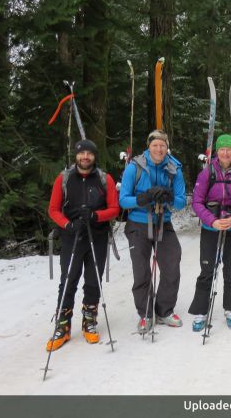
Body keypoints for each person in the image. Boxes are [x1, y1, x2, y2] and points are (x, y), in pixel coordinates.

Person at [47, 139, 120, 351]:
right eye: (81, 154)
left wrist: (96, 215)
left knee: (93, 279)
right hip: (72, 236)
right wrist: (68, 225)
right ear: (76, 156)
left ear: (94, 156)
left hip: (97, 235)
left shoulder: (104, 179)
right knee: (68, 279)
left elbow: (114, 209)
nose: (85, 157)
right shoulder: (64, 178)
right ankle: (63, 325)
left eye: (89, 154)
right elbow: (53, 209)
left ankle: (89, 319)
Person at [119, 130, 186, 333]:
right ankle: (145, 314)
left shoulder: (174, 169)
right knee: (141, 271)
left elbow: (182, 202)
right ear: (149, 146)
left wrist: (168, 197)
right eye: (155, 145)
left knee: (172, 263)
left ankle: (164, 310)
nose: (159, 149)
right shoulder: (135, 167)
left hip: (162, 221)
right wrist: (143, 198)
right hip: (138, 223)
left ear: (167, 147)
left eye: (162, 145)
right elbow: (123, 199)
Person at [189, 134, 231, 331]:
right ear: (217, 152)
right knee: (207, 269)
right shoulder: (207, 172)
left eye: (229, 149)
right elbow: (197, 201)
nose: (225, 153)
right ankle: (201, 311)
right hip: (211, 228)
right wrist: (212, 220)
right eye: (222, 149)